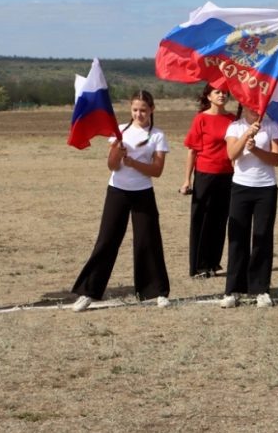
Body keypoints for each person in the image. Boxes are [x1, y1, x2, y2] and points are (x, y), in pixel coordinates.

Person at [71, 90, 171, 311]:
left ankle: (157, 292)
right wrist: (117, 151)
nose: (139, 114)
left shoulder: (157, 135)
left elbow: (157, 170)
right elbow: (112, 166)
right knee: (107, 240)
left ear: (152, 110)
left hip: (143, 193)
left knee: (148, 240)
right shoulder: (120, 132)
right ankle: (88, 292)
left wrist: (134, 163)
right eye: (135, 110)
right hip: (117, 191)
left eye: (143, 110)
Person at [220, 107, 278, 309]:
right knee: (237, 237)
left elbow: (276, 159)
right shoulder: (235, 127)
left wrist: (256, 149)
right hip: (241, 187)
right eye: (251, 106)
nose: (255, 110)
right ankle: (233, 289)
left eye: (259, 106)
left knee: (262, 236)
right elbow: (231, 154)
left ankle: (261, 289)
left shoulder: (273, 127)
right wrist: (247, 134)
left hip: (266, 188)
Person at [180, 83, 235, 278]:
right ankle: (198, 266)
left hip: (228, 175)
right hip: (205, 175)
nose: (222, 95)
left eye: (225, 92)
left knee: (220, 220)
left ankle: (213, 262)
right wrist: (187, 180)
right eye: (217, 92)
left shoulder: (233, 119)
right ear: (209, 96)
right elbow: (192, 151)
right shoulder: (201, 119)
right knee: (201, 220)